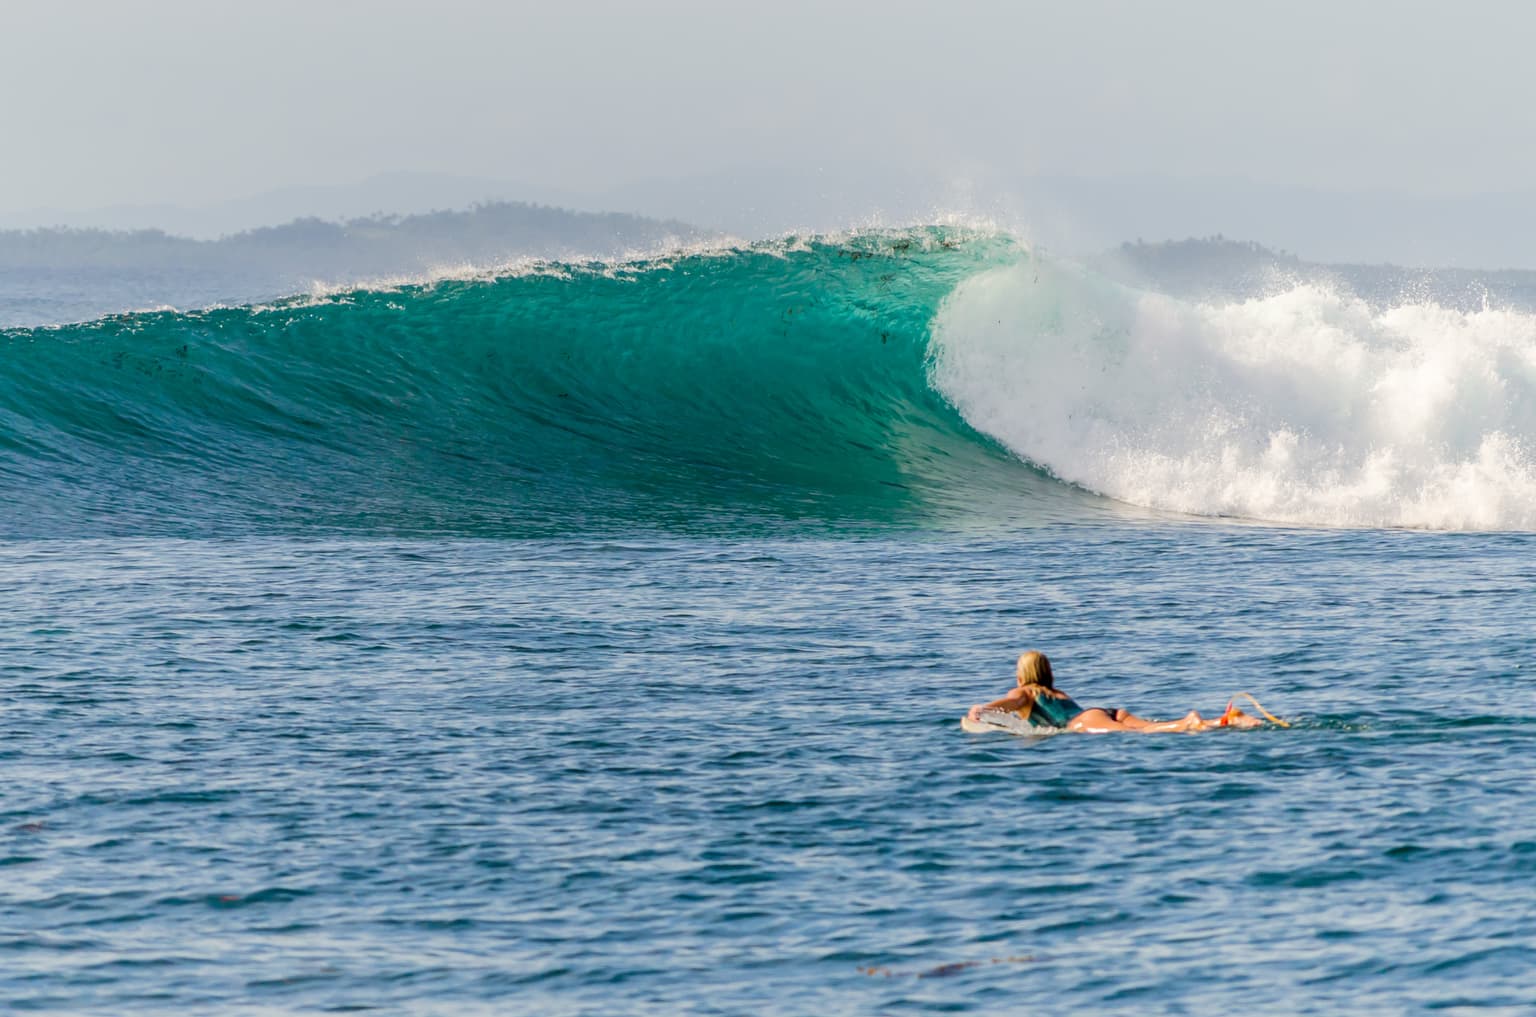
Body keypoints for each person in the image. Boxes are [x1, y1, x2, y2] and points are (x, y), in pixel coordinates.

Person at [964, 650, 1262, 733]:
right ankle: (1228, 719)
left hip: (1084, 722)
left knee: (1148, 733)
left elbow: (1012, 701)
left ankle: (1190, 721)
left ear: (1022, 675)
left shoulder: (1026, 692)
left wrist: (983, 708)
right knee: (1152, 727)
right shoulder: (1056, 692)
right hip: (1105, 712)